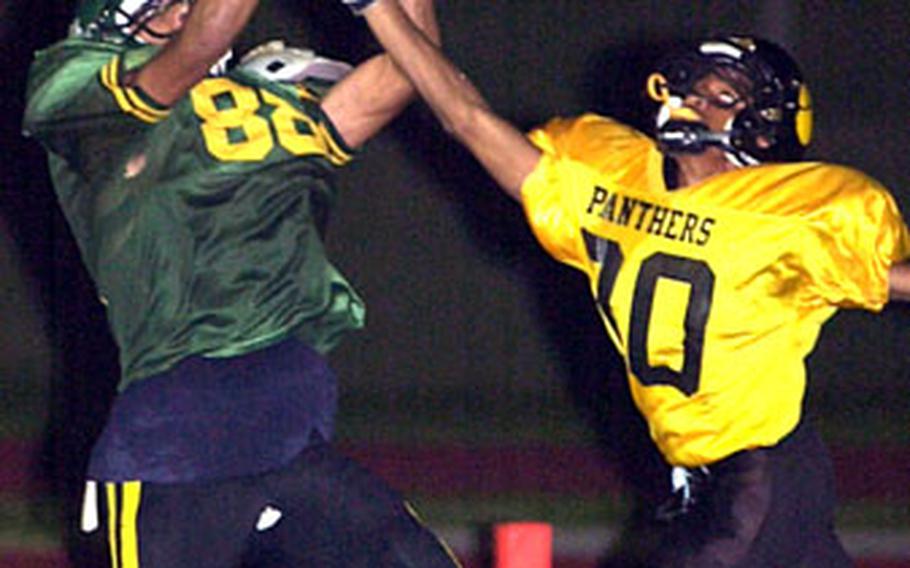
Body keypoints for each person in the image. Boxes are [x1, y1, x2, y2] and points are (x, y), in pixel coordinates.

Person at [348, 1, 910, 566]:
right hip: (704, 480)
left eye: (722, 97)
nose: (694, 101)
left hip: (763, 474)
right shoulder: (614, 180)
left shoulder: (792, 216)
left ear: (768, 129)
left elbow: (891, 280)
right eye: (693, 88)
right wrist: (376, 9)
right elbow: (468, 118)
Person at [23, 0, 463, 566]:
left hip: (289, 436)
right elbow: (207, 36)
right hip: (175, 450)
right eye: (165, 4)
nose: (185, 11)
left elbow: (412, 66)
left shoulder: (260, 101)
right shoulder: (78, 89)